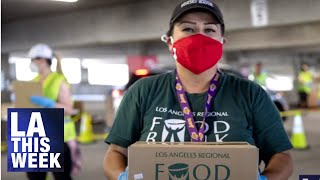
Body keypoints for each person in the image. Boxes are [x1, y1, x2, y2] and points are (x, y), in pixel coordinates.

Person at [103, 1, 293, 180]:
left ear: (222, 42)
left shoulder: (250, 94)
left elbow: (281, 156)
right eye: (188, 29)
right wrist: (122, 177)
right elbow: (116, 152)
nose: (199, 37)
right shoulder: (143, 91)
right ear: (170, 42)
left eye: (209, 29)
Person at [27, 43, 81, 180]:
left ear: (42, 60)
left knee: (61, 177)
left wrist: (49, 104)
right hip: (36, 136)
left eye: (32, 59)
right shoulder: (33, 81)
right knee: (34, 176)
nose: (31, 63)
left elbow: (69, 110)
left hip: (58, 136)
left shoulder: (58, 80)